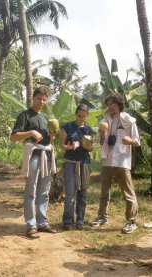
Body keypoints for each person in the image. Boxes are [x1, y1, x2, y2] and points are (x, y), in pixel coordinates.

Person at [10, 86, 57, 239]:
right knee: (31, 191)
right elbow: (13, 136)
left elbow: (48, 139)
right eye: (39, 99)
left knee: (44, 192)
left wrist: (52, 136)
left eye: (45, 99)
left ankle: (42, 223)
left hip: (46, 155)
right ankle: (31, 225)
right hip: (34, 156)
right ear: (33, 98)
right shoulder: (25, 115)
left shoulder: (45, 118)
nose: (42, 102)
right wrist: (30, 132)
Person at [90, 93, 140, 234]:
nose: (110, 107)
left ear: (119, 105)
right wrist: (102, 134)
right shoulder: (105, 121)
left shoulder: (129, 121)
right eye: (108, 105)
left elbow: (137, 141)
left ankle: (131, 221)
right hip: (107, 159)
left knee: (128, 192)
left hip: (122, 160)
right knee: (104, 190)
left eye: (113, 104)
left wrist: (130, 141)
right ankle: (102, 217)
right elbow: (102, 143)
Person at [60, 104, 94, 230]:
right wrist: (70, 146)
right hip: (70, 162)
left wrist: (87, 146)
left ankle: (80, 220)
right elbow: (61, 145)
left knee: (83, 193)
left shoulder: (88, 129)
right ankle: (68, 221)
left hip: (85, 163)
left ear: (86, 116)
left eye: (84, 117)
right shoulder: (67, 127)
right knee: (70, 194)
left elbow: (91, 147)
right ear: (76, 114)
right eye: (79, 116)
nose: (81, 119)